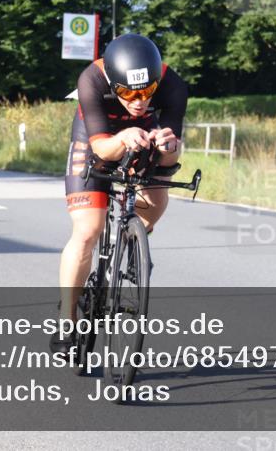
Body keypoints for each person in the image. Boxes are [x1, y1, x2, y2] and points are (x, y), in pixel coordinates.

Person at [53, 33, 187, 353]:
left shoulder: (174, 85)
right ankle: (67, 320)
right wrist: (124, 135)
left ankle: (127, 242)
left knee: (156, 199)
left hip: (145, 136)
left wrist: (169, 147)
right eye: (128, 92)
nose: (139, 101)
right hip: (97, 139)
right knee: (88, 229)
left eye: (147, 91)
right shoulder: (92, 79)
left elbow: (170, 158)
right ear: (114, 84)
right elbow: (102, 148)